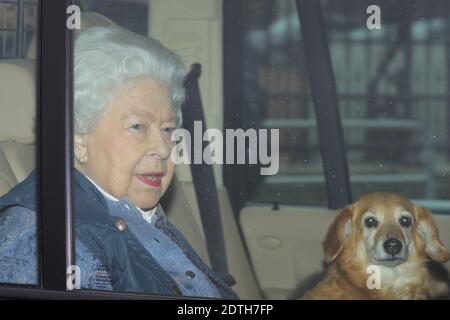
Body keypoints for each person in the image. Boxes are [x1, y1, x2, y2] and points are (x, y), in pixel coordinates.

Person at [0, 25, 238, 299]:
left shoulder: (138, 217)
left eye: (168, 129)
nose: (163, 148)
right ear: (78, 138)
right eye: (138, 126)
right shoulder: (45, 238)